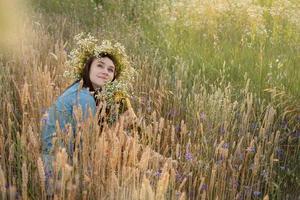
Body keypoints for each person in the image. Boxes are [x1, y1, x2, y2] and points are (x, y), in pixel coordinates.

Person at [41, 33, 136, 184]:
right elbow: (90, 145)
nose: (105, 71)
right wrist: (120, 125)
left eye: (110, 70)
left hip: (61, 160)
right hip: (58, 170)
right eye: (100, 65)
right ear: (88, 67)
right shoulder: (84, 98)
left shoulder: (84, 89)